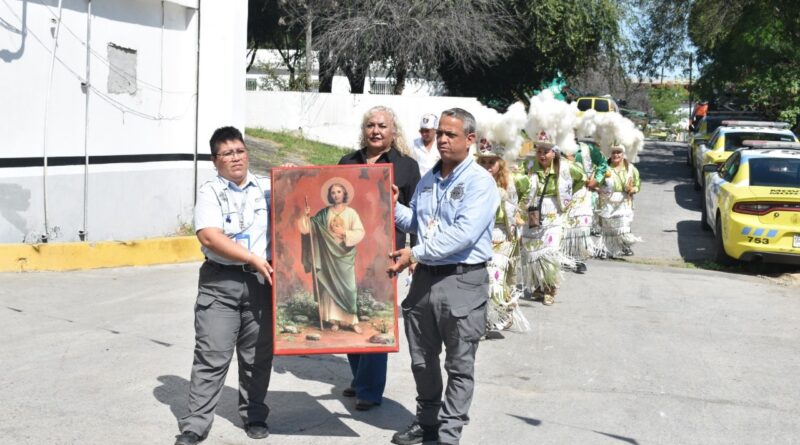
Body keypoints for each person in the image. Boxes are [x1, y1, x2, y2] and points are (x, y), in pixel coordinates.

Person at [388, 108, 498, 445]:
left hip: (462, 281)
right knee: (422, 359)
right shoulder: (428, 179)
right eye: (441, 133)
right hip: (425, 281)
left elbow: (462, 236)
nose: (443, 139)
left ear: (470, 140)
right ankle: (428, 421)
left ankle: (449, 434)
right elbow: (417, 225)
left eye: (451, 134)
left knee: (459, 364)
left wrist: (414, 254)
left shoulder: (480, 182)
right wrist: (391, 206)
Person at [175, 127, 274, 445]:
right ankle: (194, 425)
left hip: (261, 283)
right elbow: (209, 236)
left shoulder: (266, 188)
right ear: (215, 160)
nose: (236, 158)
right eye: (228, 153)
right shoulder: (210, 192)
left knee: (257, 356)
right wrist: (252, 258)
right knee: (211, 355)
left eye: (240, 151)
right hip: (221, 283)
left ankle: (255, 414)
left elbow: (305, 193)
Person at [337, 105, 421, 411]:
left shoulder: (407, 167)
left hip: (385, 256)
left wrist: (413, 255)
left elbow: (416, 216)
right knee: (350, 318)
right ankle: (360, 377)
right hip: (347, 255)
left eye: (382, 126)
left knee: (375, 320)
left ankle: (370, 391)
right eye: (371, 125)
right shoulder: (347, 162)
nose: (376, 130)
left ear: (393, 132)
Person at [520, 136, 585, 306]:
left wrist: (568, 195)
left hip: (553, 212)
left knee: (550, 251)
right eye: (539, 151)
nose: (541, 155)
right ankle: (539, 286)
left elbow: (581, 178)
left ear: (554, 153)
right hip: (532, 212)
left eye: (545, 152)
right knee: (533, 252)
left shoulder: (565, 167)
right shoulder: (528, 166)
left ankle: (550, 287)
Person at [475, 142, 529, 335]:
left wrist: (519, 212)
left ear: (500, 163)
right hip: (479, 236)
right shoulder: (473, 181)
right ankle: (486, 319)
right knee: (482, 280)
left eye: (492, 162)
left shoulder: (512, 181)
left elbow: (529, 189)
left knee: (495, 279)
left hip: (503, 236)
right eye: (484, 162)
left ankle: (490, 320)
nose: (488, 166)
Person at [298, 179, 365, 333]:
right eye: (333, 192)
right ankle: (334, 320)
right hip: (327, 256)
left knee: (349, 288)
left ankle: (351, 321)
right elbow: (308, 230)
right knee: (329, 288)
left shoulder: (351, 213)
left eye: (339, 192)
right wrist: (307, 216)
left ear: (344, 194)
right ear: (330, 195)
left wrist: (344, 233)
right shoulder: (323, 213)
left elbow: (360, 232)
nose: (336, 195)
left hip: (344, 256)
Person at [561, 140, 608, 272]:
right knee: (562, 225)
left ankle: (577, 258)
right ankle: (562, 257)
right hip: (561, 193)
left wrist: (596, 180)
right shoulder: (557, 147)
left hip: (582, 192)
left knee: (581, 226)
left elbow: (603, 164)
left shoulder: (588, 149)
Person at [595, 143, 641, 258]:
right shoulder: (604, 168)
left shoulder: (630, 168)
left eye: (618, 152)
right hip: (607, 201)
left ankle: (624, 245)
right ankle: (606, 249)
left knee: (623, 224)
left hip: (624, 201)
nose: (616, 155)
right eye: (613, 152)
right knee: (609, 227)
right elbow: (596, 182)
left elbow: (637, 184)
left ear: (623, 154)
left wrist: (633, 189)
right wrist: (599, 189)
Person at [412, 112, 441, 177]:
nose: (424, 134)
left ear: (435, 130)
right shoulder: (413, 145)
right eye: (422, 131)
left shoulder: (441, 145)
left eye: (427, 131)